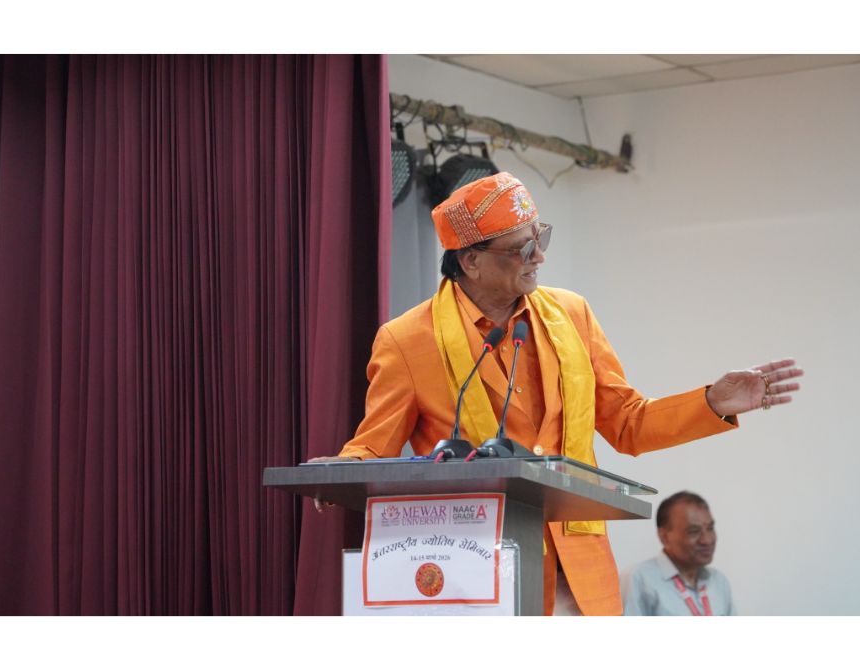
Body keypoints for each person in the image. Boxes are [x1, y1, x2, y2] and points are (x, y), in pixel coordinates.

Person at [312, 171, 801, 615]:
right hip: (478, 570)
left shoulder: (571, 314)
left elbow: (628, 424)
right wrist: (340, 469)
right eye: (522, 248)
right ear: (471, 261)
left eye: (540, 238)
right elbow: (373, 446)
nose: (540, 257)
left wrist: (712, 402)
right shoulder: (407, 340)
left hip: (580, 574)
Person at [623, 491, 735, 616]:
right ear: (664, 537)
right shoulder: (638, 580)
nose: (707, 540)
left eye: (710, 528)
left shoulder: (718, 581)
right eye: (694, 531)